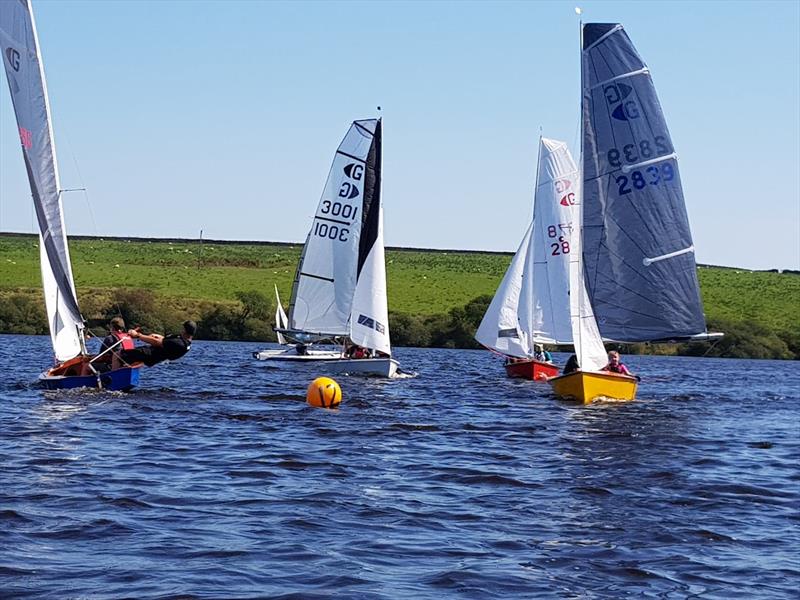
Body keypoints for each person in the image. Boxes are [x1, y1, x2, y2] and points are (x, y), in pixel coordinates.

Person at [120, 320, 196, 367]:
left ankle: (115, 379)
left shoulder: (179, 343)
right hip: (153, 355)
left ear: (185, 330)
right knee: (128, 361)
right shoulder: (184, 341)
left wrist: (137, 335)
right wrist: (155, 335)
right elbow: (164, 340)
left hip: (151, 354)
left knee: (119, 354)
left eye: (182, 328)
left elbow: (156, 342)